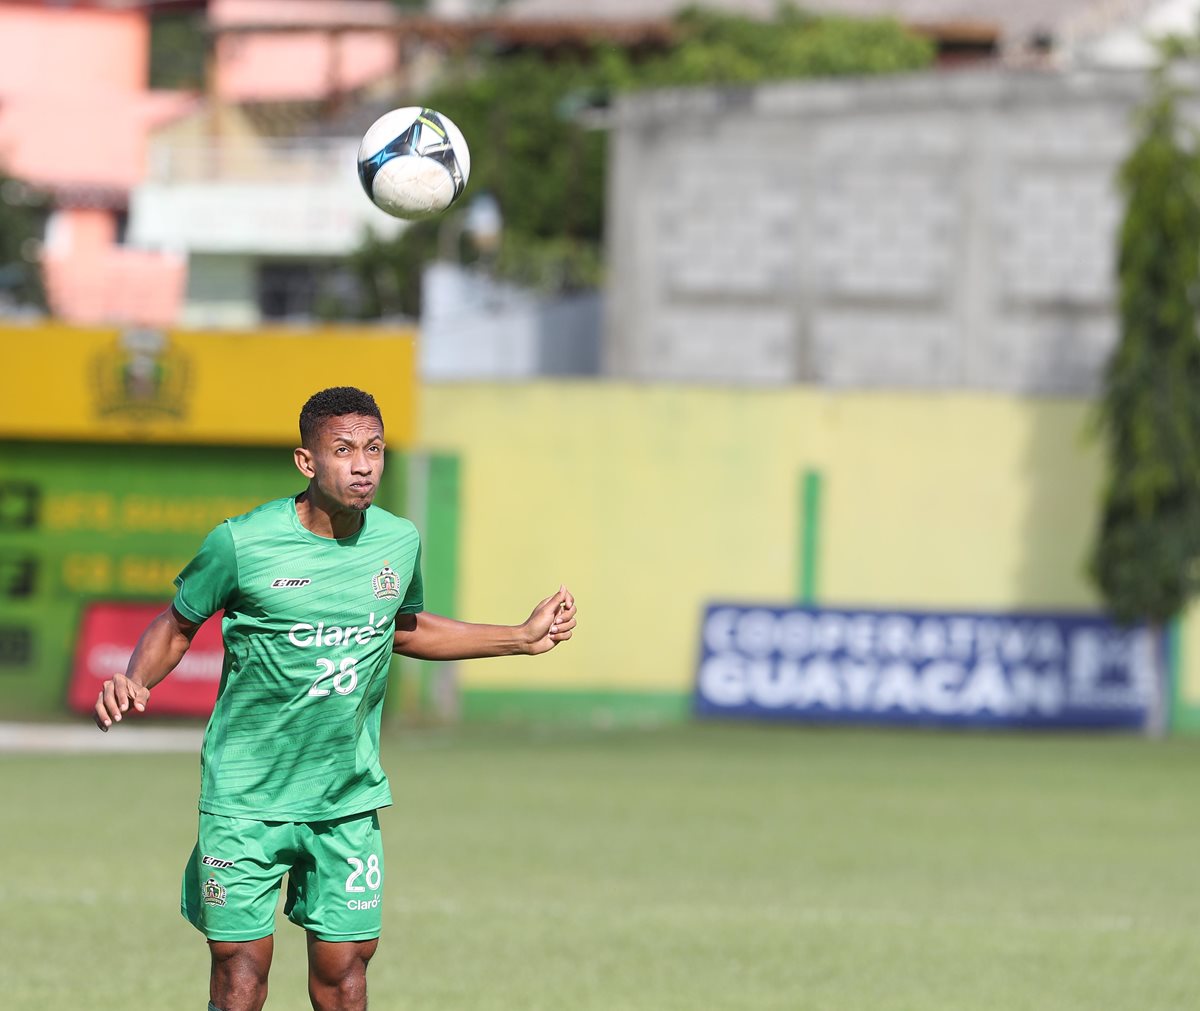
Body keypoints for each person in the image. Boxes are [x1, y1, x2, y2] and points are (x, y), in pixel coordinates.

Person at [93, 386, 577, 1011]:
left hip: (345, 799)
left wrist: (518, 638)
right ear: (306, 461)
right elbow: (178, 623)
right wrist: (136, 678)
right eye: (344, 450)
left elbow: (403, 626)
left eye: (374, 449)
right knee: (240, 978)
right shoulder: (242, 542)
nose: (363, 465)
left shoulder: (398, 542)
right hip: (245, 798)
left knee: (344, 978)